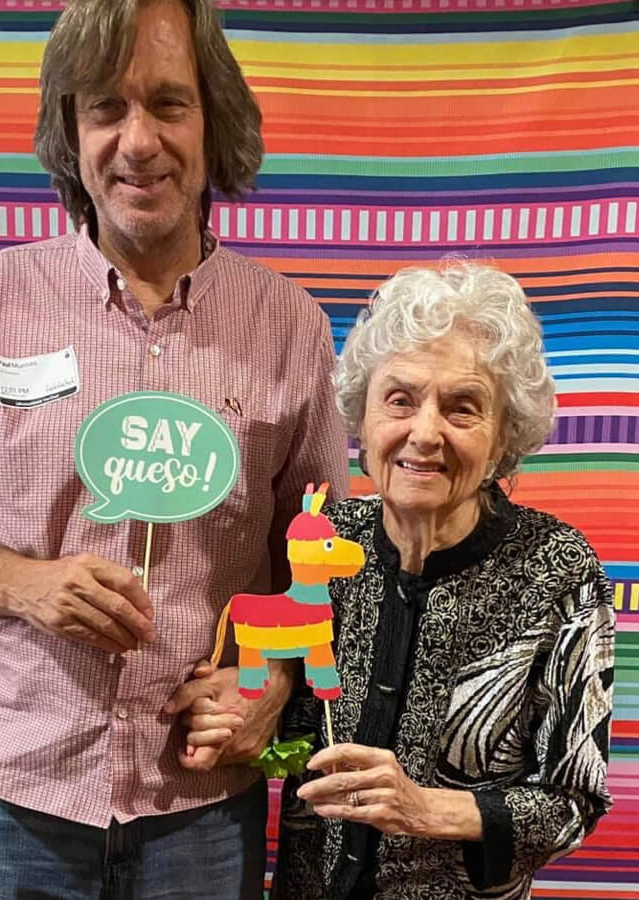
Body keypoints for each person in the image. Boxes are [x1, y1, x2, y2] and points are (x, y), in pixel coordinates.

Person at [0, 0, 348, 896]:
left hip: (200, 810)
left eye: (169, 104)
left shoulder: (290, 328)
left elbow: (319, 551)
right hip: (5, 798)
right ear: (70, 130)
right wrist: (26, 584)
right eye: (105, 108)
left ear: (216, 125)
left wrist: (273, 678)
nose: (138, 141)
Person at [258, 261, 612, 899]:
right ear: (361, 420)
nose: (424, 434)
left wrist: (424, 809)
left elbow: (573, 802)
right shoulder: (325, 544)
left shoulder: (557, 567)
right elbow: (283, 716)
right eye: (399, 399)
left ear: (504, 435)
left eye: (462, 408)